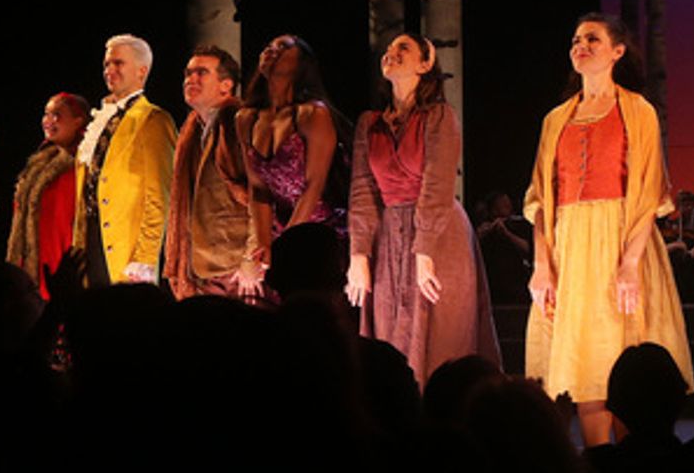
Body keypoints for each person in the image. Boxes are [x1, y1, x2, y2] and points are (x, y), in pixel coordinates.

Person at [524, 13, 694, 446]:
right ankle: (601, 463)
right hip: (570, 252)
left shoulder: (637, 111)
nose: (580, 46)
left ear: (617, 51)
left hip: (622, 244)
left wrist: (630, 263)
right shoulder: (555, 119)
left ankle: (637, 461)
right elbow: (540, 200)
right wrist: (542, 265)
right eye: (575, 40)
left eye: (592, 39)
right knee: (586, 370)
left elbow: (650, 192)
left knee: (627, 363)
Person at [346, 33, 500, 385]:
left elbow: (437, 186)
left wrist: (425, 251)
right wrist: (358, 255)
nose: (392, 53)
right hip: (389, 237)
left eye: (404, 48)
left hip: (439, 232)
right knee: (390, 335)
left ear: (425, 64)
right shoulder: (369, 124)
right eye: (388, 49)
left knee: (441, 338)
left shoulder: (439, 116)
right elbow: (362, 191)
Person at [73, 34, 177, 286]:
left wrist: (144, 258)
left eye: (118, 63)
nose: (110, 70)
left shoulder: (152, 119)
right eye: (107, 64)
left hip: (125, 247)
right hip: (91, 237)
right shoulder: (102, 119)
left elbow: (159, 196)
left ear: (142, 71)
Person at [237, 34, 339, 279]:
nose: (271, 50)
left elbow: (314, 186)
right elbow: (258, 189)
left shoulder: (313, 114)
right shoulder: (246, 118)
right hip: (278, 233)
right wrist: (265, 244)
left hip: (318, 234)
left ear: (302, 63)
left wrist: (285, 245)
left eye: (282, 47)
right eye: (269, 46)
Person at [164, 45, 257, 300]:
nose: (190, 79)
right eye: (188, 73)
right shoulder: (192, 129)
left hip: (236, 266)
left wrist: (251, 257)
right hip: (201, 267)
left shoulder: (238, 122)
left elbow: (259, 192)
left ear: (226, 85)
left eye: (201, 72)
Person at [7, 92, 91, 299]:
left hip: (61, 262)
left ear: (78, 121)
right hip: (32, 263)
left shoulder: (85, 165)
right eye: (46, 114)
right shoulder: (40, 164)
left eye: (57, 115)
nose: (48, 121)